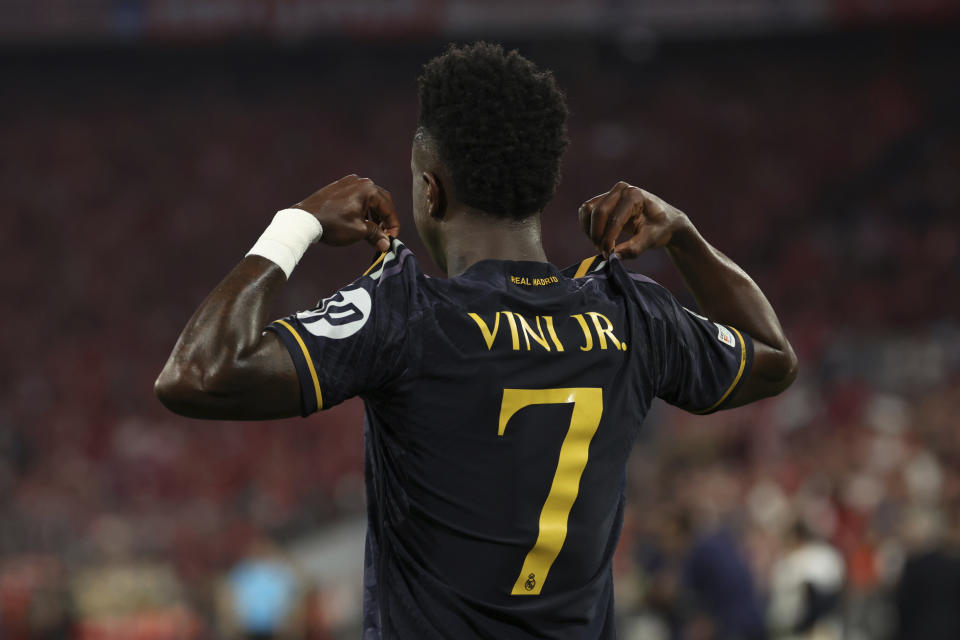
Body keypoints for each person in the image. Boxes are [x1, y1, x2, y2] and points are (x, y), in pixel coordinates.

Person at [156, 42, 797, 640]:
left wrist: (294, 224)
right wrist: (683, 234)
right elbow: (771, 357)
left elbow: (198, 374)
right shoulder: (632, 314)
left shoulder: (407, 311)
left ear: (430, 189)